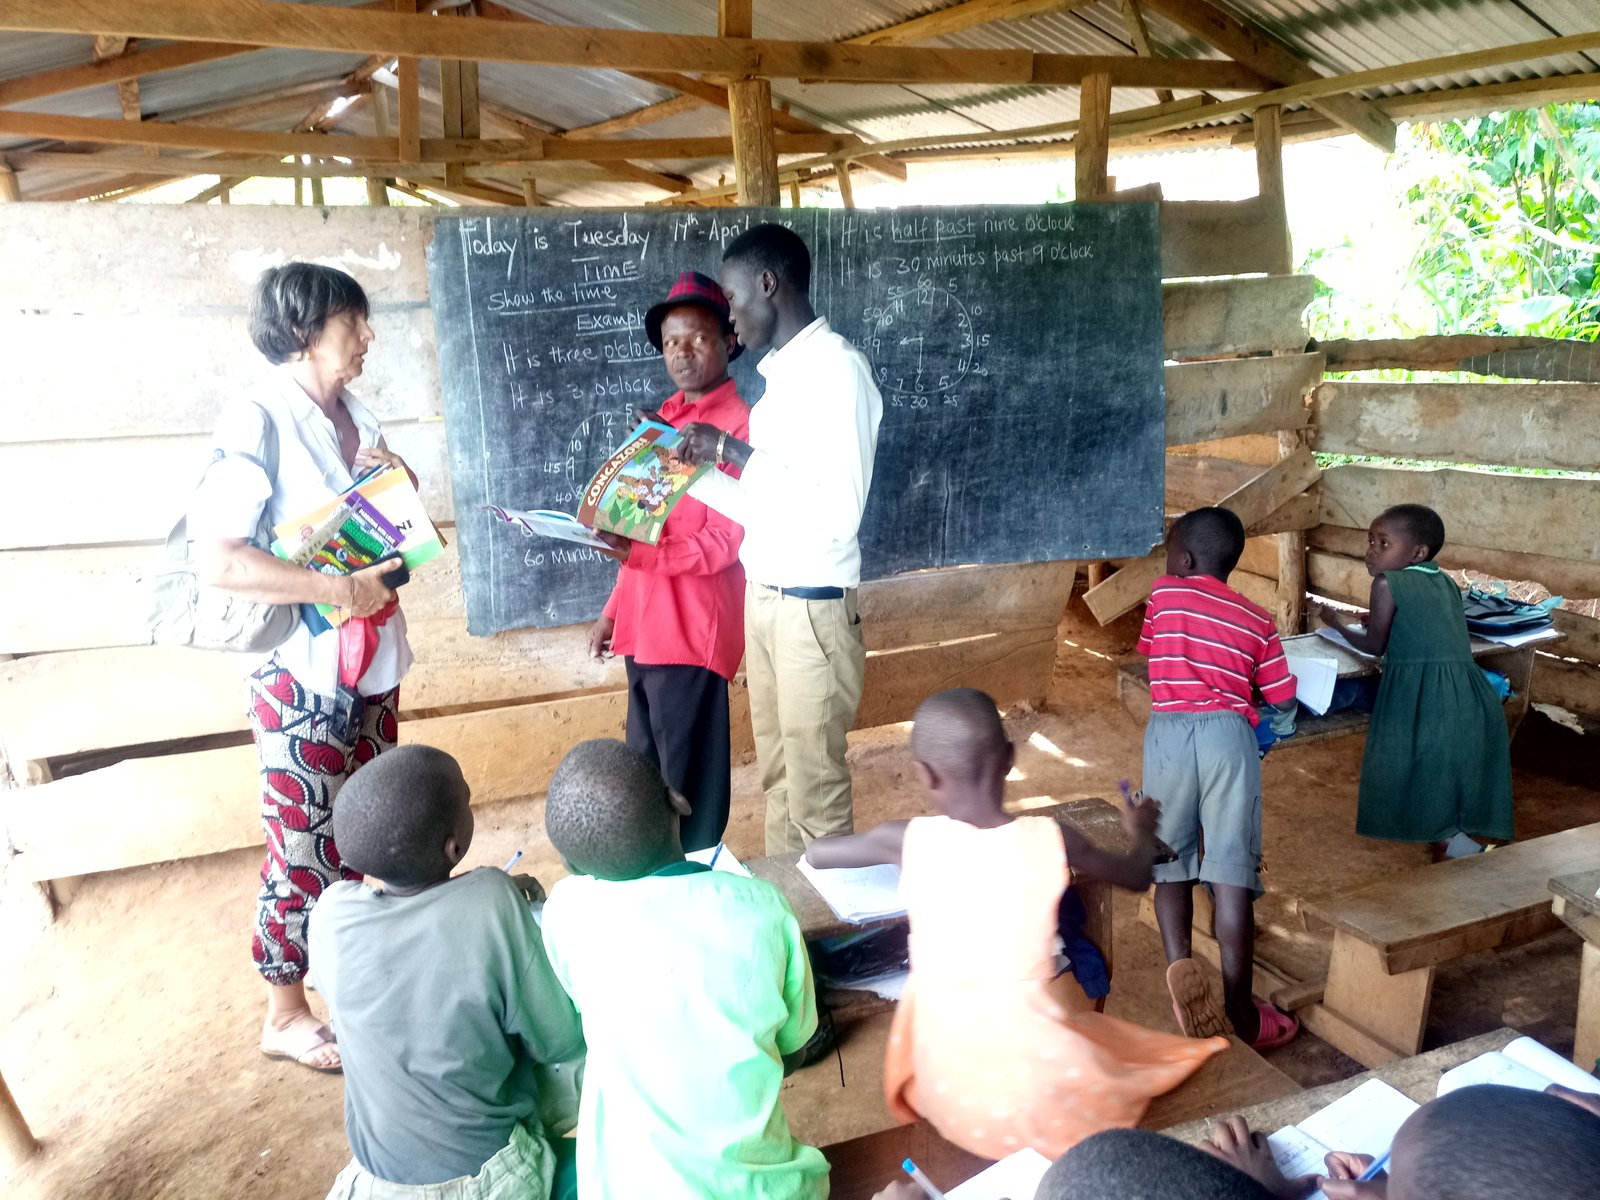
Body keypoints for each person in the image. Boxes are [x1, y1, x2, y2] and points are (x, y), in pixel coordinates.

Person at [805, 688, 1227, 1161]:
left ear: (926, 774)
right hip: (1029, 1085)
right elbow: (1135, 877)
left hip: (943, 1081)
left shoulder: (903, 839)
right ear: (1008, 759)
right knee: (1117, 1055)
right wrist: (1141, 833)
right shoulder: (1053, 836)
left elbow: (818, 855)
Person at [190, 262, 415, 1072]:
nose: (368, 335)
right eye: (352, 321)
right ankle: (284, 1013)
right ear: (302, 332)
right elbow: (220, 560)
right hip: (302, 674)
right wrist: (336, 588)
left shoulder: (357, 414)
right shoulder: (257, 420)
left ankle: (350, 975)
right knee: (302, 841)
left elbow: (380, 520)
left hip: (371, 661)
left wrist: (400, 488)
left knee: (369, 825)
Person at [670, 222, 884, 854]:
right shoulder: (780, 383)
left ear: (768, 284)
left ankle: (828, 917)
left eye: (733, 300)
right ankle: (789, 907)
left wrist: (733, 449)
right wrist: (688, 470)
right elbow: (762, 507)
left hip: (810, 611)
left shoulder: (838, 371)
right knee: (780, 780)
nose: (730, 320)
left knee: (813, 791)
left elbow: (839, 514)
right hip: (766, 602)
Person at [538, 739, 829, 1199]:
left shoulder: (567, 912)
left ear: (571, 866)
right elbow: (793, 1050)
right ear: (679, 802)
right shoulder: (764, 909)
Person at [309, 745, 585, 1200]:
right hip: (487, 1180)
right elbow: (559, 1039)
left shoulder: (330, 914)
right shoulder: (491, 901)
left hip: (374, 1183)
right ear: (454, 846)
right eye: (468, 799)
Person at [588, 272, 750, 852]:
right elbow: (638, 529)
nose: (682, 352)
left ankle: (694, 874)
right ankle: (657, 875)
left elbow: (726, 541)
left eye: (698, 338)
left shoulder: (738, 429)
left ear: (729, 341)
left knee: (687, 784)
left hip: (691, 628)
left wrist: (641, 555)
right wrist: (613, 610)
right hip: (644, 626)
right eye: (671, 342)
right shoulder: (662, 421)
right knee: (646, 773)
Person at [1139, 507, 1301, 1051]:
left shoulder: (1163, 595)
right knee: (1232, 873)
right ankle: (1241, 1011)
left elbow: (1151, 650)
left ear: (1184, 559)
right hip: (1230, 738)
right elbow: (1281, 697)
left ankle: (1182, 976)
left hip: (1167, 734)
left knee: (1169, 863)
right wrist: (1275, 724)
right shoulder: (1257, 620)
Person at [1318, 504, 1513, 863]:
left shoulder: (1386, 583)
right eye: (1370, 541)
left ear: (1418, 553)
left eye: (1383, 543)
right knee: (1444, 766)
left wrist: (1336, 623)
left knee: (1411, 759)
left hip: (1424, 693)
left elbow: (1374, 646)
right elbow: (1424, 622)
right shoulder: (1445, 581)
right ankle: (1454, 839)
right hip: (1468, 691)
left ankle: (1449, 845)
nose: (1371, 551)